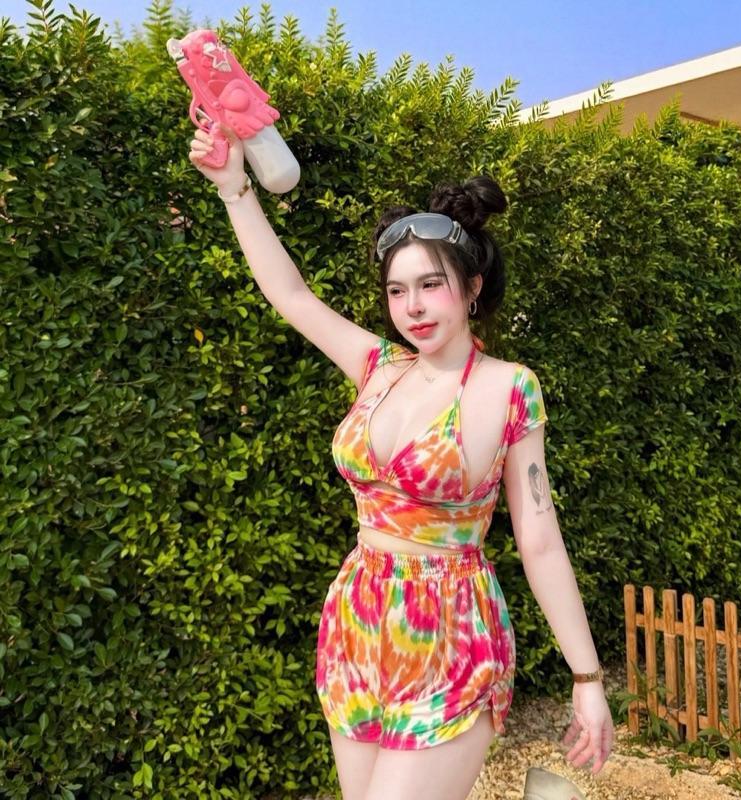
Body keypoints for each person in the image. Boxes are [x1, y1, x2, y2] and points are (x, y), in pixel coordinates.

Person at [188, 124, 614, 800]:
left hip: (451, 631)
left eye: (430, 285)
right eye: (396, 290)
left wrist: (587, 679)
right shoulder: (378, 367)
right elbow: (292, 296)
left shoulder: (509, 388)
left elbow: (539, 541)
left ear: (471, 287)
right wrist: (234, 188)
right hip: (358, 618)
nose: (412, 307)